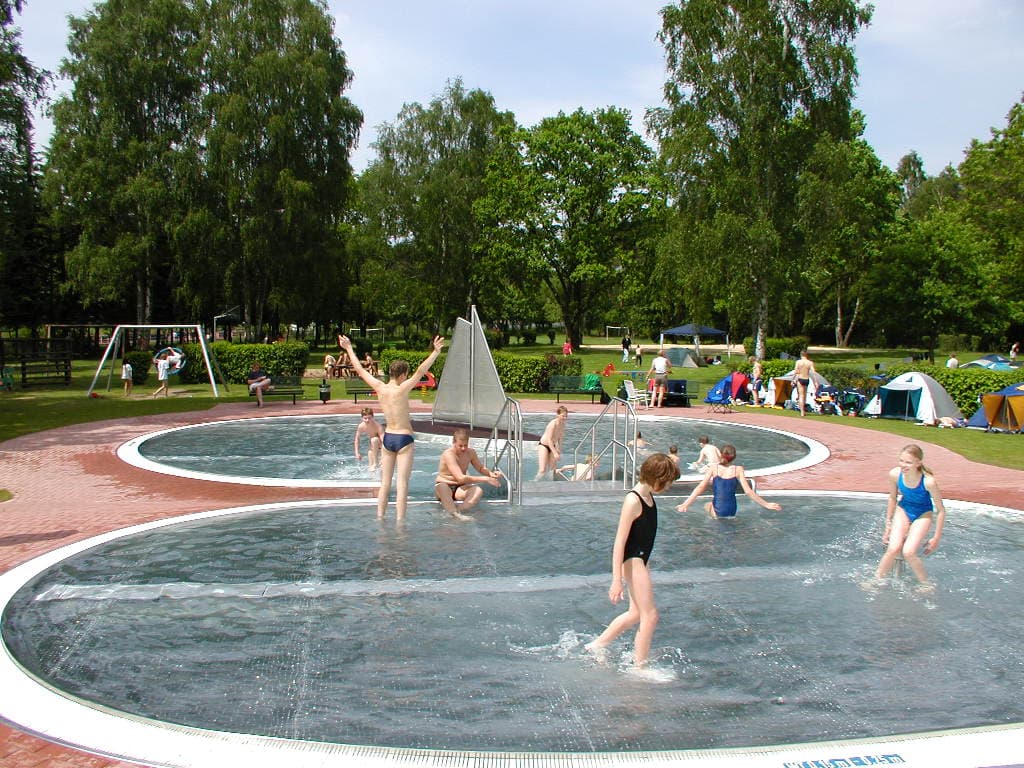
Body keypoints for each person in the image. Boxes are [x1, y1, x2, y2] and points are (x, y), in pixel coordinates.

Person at [585, 453, 679, 668]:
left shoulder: (648, 497)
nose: (667, 487)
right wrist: (616, 580)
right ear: (655, 477)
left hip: (641, 561)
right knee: (650, 615)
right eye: (666, 483)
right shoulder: (633, 500)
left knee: (636, 613)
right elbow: (619, 542)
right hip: (632, 561)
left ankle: (598, 645)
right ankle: (640, 666)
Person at [339, 333, 443, 521]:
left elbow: (360, 371)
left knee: (385, 483)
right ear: (403, 375)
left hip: (387, 439)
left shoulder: (380, 387)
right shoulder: (402, 389)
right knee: (402, 483)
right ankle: (400, 523)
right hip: (404, 438)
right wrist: (435, 352)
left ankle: (380, 517)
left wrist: (348, 348)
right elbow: (421, 371)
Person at [873, 444, 947, 588]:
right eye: (901, 461)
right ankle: (876, 580)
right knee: (893, 549)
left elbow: (941, 510)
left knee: (909, 552)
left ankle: (926, 584)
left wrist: (936, 538)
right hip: (904, 509)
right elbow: (892, 498)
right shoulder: (895, 474)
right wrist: (888, 525)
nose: (903, 465)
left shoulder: (928, 482)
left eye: (908, 462)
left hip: (922, 513)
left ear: (918, 463)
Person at [676, 444, 782, 518]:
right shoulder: (738, 469)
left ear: (720, 455)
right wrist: (766, 504)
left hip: (718, 510)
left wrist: (685, 504)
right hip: (732, 509)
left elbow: (700, 487)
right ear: (734, 457)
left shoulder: (714, 468)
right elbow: (748, 492)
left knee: (706, 505)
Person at [434, 427, 503, 520]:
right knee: (443, 488)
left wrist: (491, 474)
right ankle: (454, 514)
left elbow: (480, 467)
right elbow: (460, 478)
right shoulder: (448, 454)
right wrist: (486, 479)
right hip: (445, 484)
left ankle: (460, 511)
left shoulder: (470, 452)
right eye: (460, 445)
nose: (463, 448)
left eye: (465, 445)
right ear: (454, 443)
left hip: (460, 488)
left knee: (478, 490)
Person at [535, 405, 568, 480]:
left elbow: (560, 438)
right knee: (542, 470)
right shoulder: (552, 424)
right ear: (557, 415)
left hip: (553, 445)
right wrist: (555, 452)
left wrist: (559, 449)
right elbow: (549, 439)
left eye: (566, 416)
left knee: (552, 469)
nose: (565, 418)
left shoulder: (563, 425)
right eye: (563, 416)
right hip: (544, 445)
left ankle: (551, 484)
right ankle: (534, 482)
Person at [793, 349, 816, 416]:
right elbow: (814, 372)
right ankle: (804, 410)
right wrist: (815, 381)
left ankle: (802, 411)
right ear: (807, 355)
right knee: (804, 395)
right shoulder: (810, 363)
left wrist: (793, 379)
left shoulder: (798, 362)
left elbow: (795, 371)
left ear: (801, 355)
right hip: (806, 379)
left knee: (801, 396)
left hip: (800, 378)